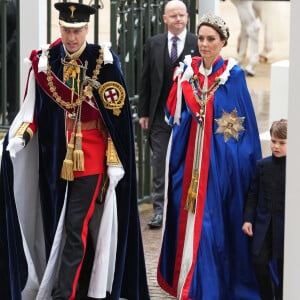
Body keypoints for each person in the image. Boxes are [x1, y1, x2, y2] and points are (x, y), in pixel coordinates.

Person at [0, 2, 149, 300]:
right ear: (60, 29)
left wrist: (113, 158)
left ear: (87, 30)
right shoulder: (48, 61)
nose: (71, 38)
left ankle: (64, 294)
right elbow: (34, 112)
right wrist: (20, 139)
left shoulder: (103, 61)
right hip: (55, 154)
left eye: (77, 31)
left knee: (75, 227)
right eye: (67, 30)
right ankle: (81, 288)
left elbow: (116, 119)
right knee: (57, 223)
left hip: (91, 157)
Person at [157, 12, 262, 299]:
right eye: (201, 38)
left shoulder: (233, 76)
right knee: (187, 217)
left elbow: (241, 129)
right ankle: (188, 281)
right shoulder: (186, 73)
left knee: (212, 225)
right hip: (189, 160)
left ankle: (208, 286)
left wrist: (228, 166)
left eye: (211, 39)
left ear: (223, 42)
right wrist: (180, 86)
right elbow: (171, 115)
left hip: (218, 166)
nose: (204, 44)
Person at [138, 0, 199, 229]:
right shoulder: (154, 43)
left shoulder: (196, 42)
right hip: (159, 117)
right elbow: (145, 80)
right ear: (165, 19)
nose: (179, 19)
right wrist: (144, 112)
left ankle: (183, 209)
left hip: (188, 117)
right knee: (160, 163)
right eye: (173, 16)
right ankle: (159, 211)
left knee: (186, 162)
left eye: (182, 15)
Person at [242, 119, 287, 300]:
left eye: (282, 143)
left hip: (284, 228)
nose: (275, 146)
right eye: (273, 141)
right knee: (259, 263)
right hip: (263, 226)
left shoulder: (295, 168)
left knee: (285, 270)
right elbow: (253, 195)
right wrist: (247, 219)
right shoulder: (262, 165)